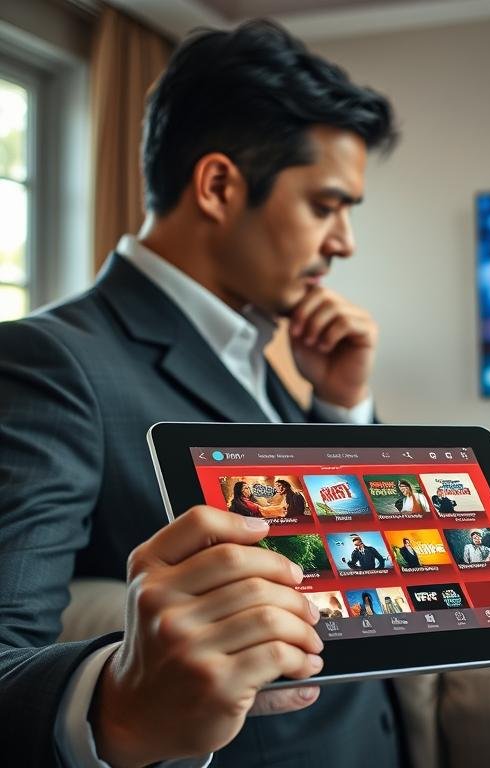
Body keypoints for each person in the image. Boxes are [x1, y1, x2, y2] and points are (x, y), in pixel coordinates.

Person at [0, 20, 403, 767]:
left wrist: (341, 408)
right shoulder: (50, 364)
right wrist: (119, 704)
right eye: (325, 205)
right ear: (218, 186)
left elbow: (351, 571)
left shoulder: (269, 358)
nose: (344, 242)